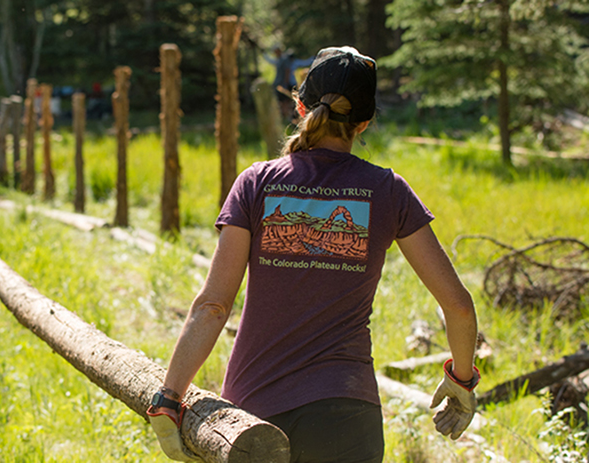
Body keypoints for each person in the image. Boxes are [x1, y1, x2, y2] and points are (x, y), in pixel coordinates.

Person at [147, 46, 480, 462]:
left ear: (300, 104)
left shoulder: (257, 183)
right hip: (349, 418)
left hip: (254, 420)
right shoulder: (388, 190)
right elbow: (459, 306)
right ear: (365, 122)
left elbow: (213, 306)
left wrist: (169, 397)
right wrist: (461, 381)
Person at [264, 46, 313, 122]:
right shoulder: (282, 60)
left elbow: (287, 72)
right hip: (286, 84)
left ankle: (291, 116)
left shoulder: (286, 61)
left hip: (288, 84)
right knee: (286, 101)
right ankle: (288, 116)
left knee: (288, 101)